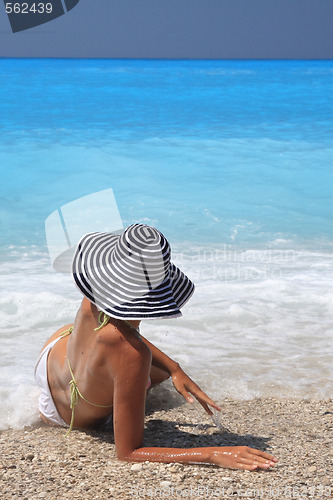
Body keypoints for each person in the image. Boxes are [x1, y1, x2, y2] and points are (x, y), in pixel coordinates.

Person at [35, 224, 278, 470]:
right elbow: (129, 452)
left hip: (53, 357)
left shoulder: (96, 291)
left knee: (152, 369)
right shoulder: (132, 354)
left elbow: (116, 334)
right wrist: (213, 453)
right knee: (140, 370)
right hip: (67, 417)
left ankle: (165, 371)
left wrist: (174, 368)